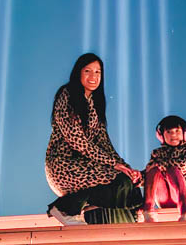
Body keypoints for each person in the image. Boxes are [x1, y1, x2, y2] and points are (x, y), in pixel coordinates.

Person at [45, 52, 143, 225]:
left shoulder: (96, 103)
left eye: (98, 72)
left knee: (130, 182)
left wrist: (127, 168)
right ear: (78, 73)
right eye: (88, 71)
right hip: (65, 165)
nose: (93, 77)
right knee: (120, 181)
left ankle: (133, 215)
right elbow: (77, 141)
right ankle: (65, 208)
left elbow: (105, 144)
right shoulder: (67, 95)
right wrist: (113, 165)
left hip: (89, 163)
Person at [143, 114, 186, 222]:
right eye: (169, 132)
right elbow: (148, 173)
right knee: (153, 170)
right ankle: (147, 209)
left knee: (173, 169)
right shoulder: (157, 153)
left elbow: (184, 166)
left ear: (185, 133)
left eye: (177, 131)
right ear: (161, 135)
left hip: (181, 194)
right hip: (162, 196)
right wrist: (135, 176)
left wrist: (161, 164)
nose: (174, 135)